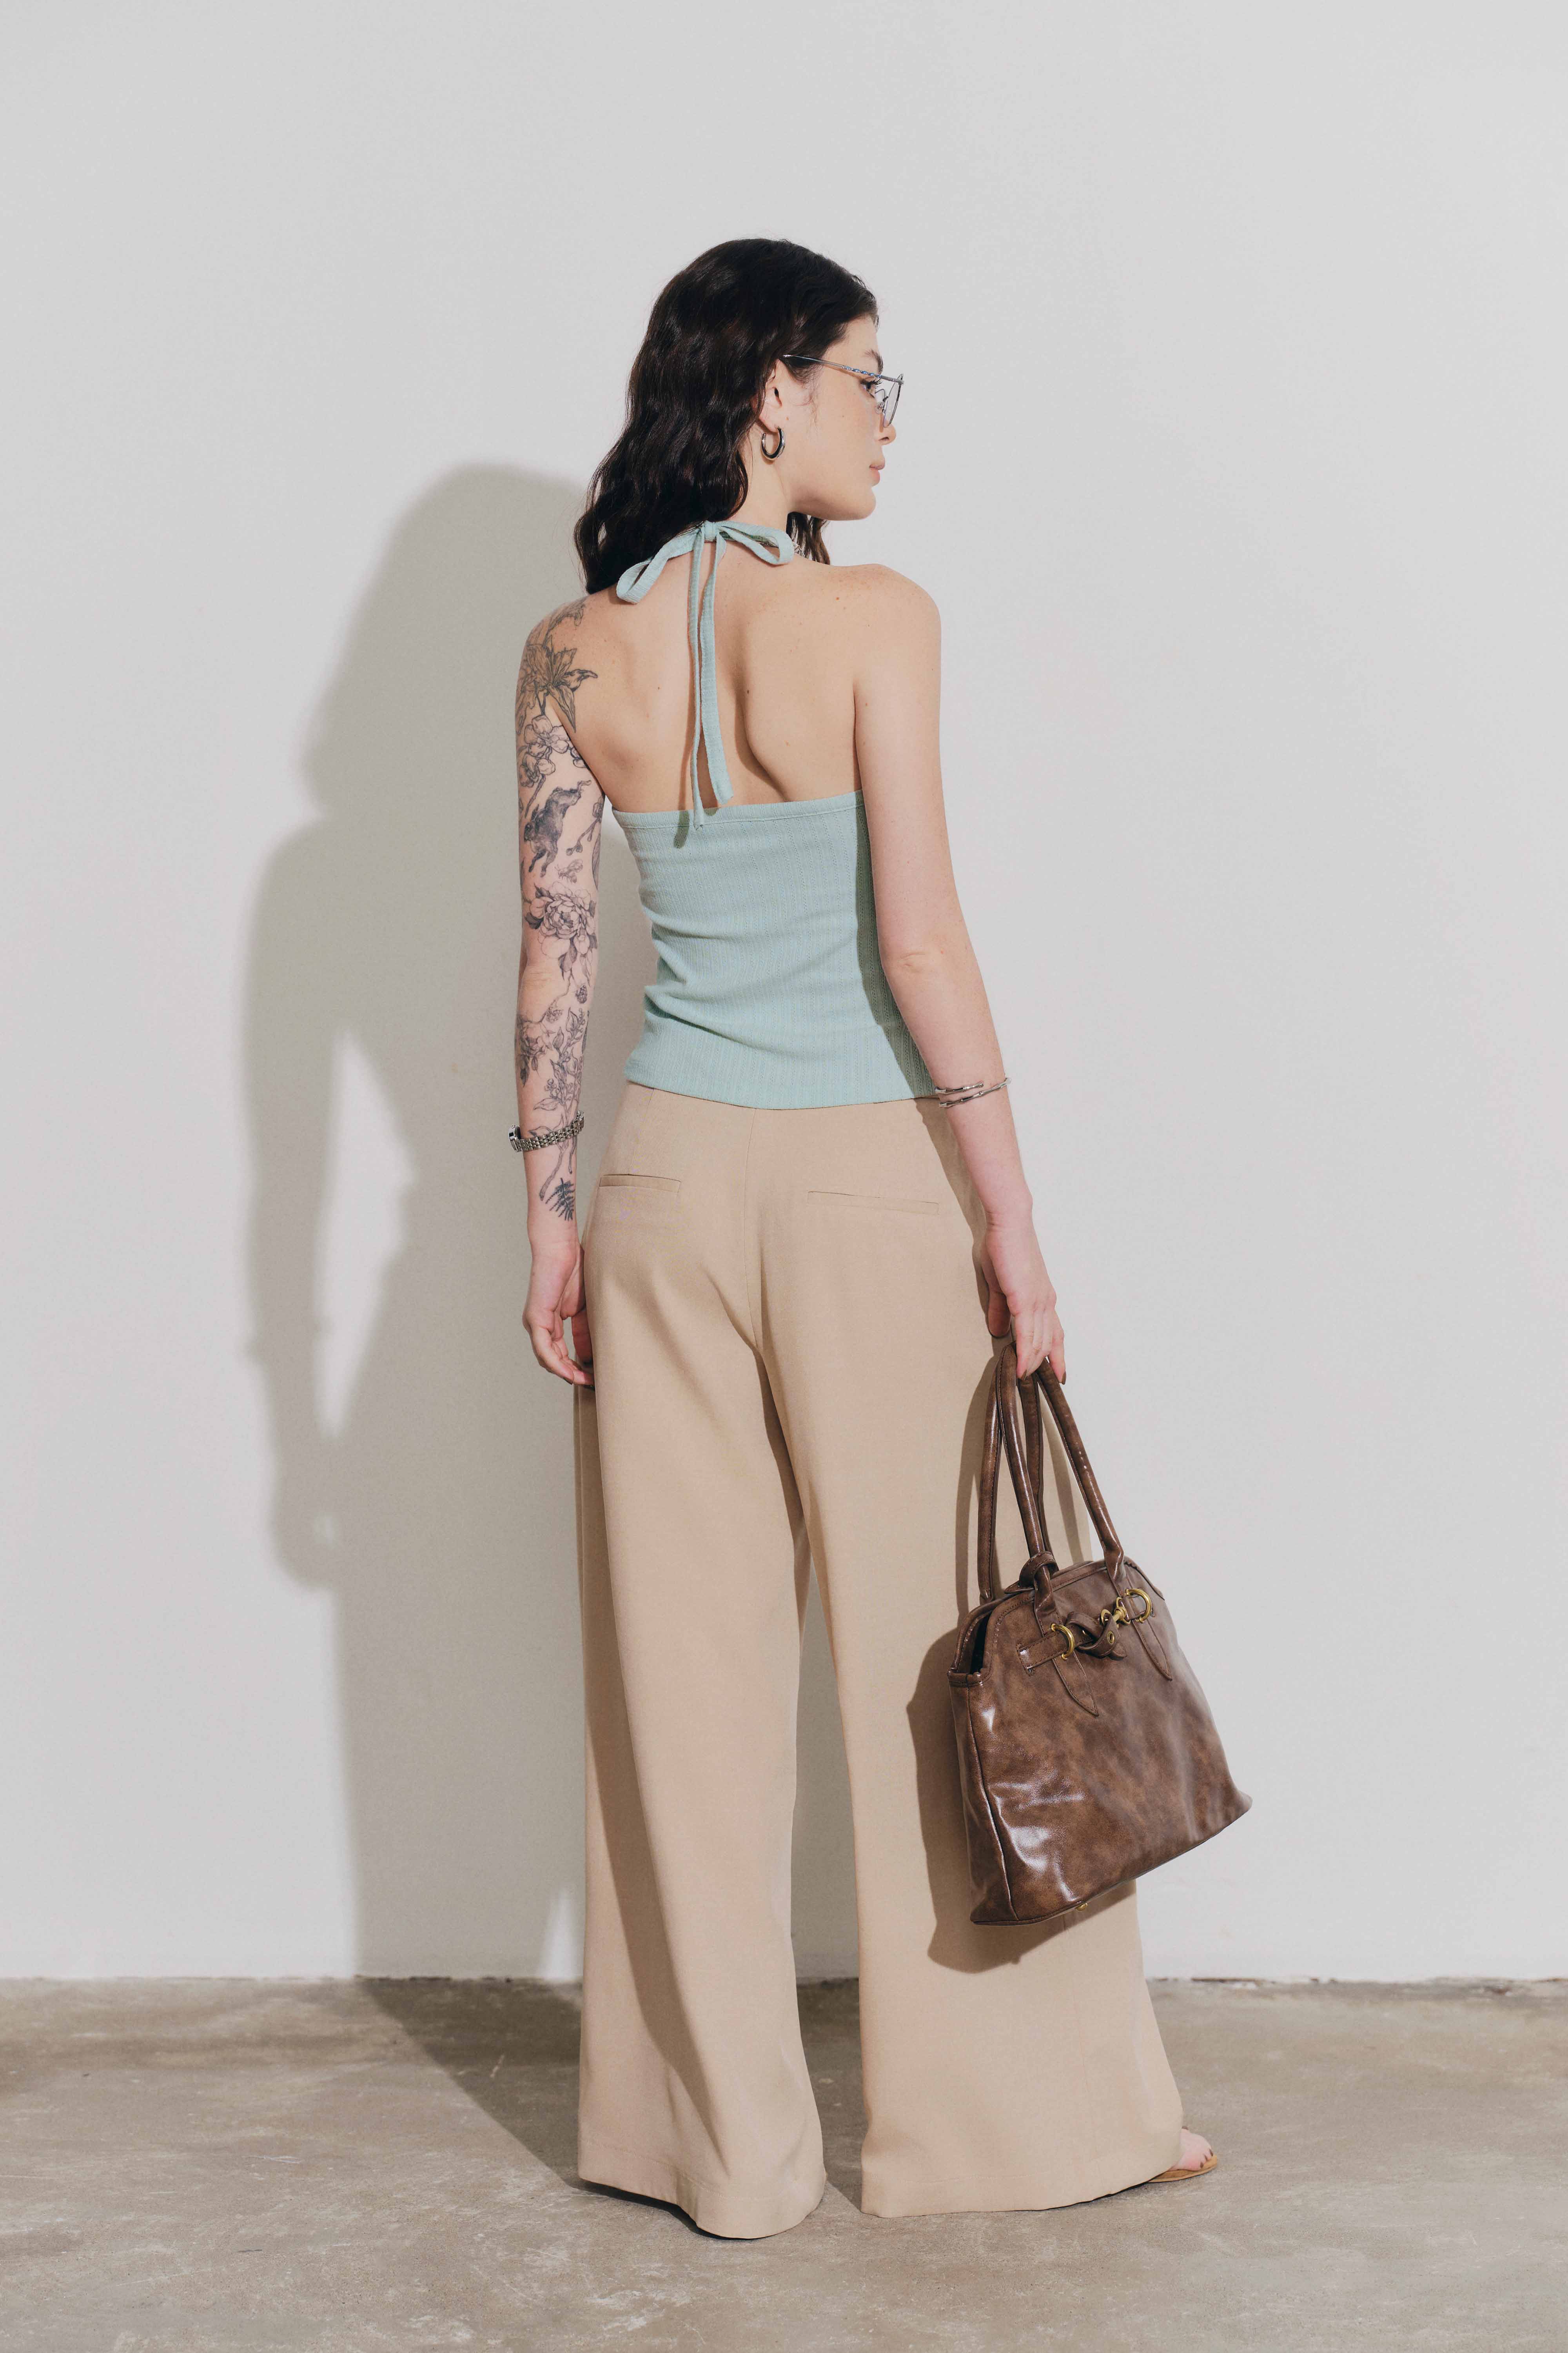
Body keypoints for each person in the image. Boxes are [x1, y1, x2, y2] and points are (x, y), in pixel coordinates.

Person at [511, 237, 1214, 2237]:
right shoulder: (876, 621)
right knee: (952, 1651)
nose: (885, 423)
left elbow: (556, 958)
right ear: (773, 394)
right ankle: (1008, 2130)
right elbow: (918, 943)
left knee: (679, 1688)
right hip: (863, 1181)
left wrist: (547, 1212)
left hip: (660, 1186)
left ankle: (716, 2154)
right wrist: (1015, 1222)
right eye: (867, 380)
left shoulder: (571, 652)